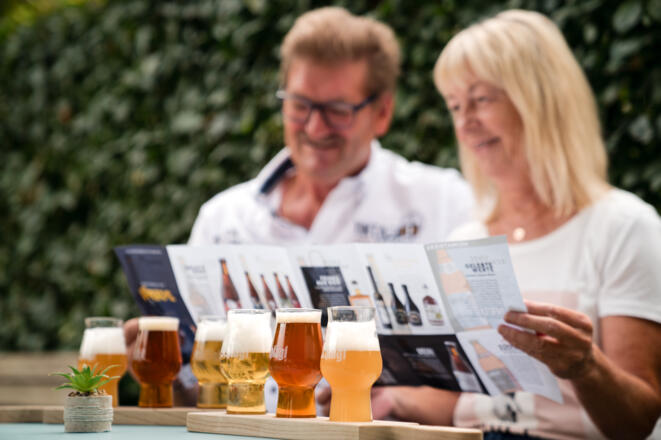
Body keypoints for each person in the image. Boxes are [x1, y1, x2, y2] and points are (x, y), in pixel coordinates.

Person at [124, 7, 473, 406]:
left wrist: (399, 401)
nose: (315, 127)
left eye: (337, 110)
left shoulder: (443, 201)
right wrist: (167, 375)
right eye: (300, 104)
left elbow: (482, 387)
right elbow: (200, 396)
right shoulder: (223, 217)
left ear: (382, 113)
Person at [370, 9, 661, 440]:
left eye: (482, 100)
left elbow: (639, 421)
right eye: (455, 105)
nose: (465, 123)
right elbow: (463, 402)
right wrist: (386, 398)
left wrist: (586, 366)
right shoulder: (466, 239)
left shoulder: (622, 227)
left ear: (540, 100)